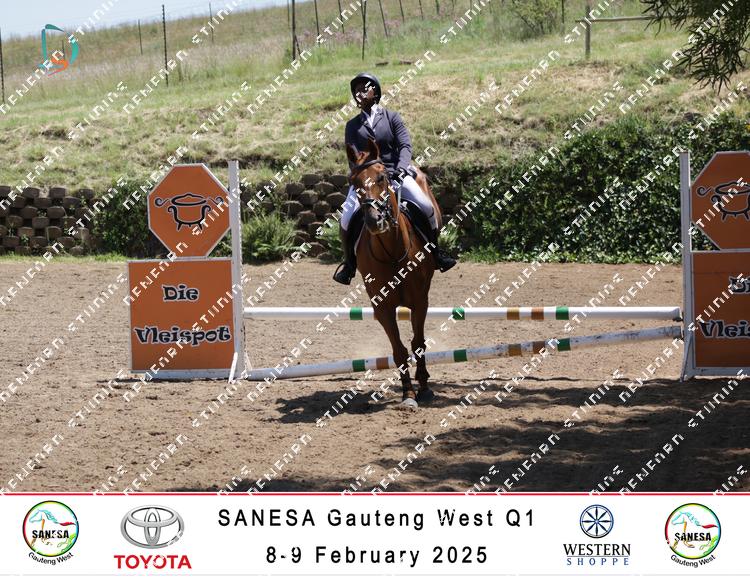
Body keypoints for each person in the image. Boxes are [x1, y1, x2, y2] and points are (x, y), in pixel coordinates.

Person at [333, 72, 456, 285]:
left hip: (396, 174)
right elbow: (352, 156)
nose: (359, 93)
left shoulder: (392, 118)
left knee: (426, 206)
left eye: (364, 89)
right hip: (367, 181)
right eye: (356, 90)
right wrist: (360, 177)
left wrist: (400, 169)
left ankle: (436, 253)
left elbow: (405, 146)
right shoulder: (352, 125)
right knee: (345, 218)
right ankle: (349, 265)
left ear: (375, 92)